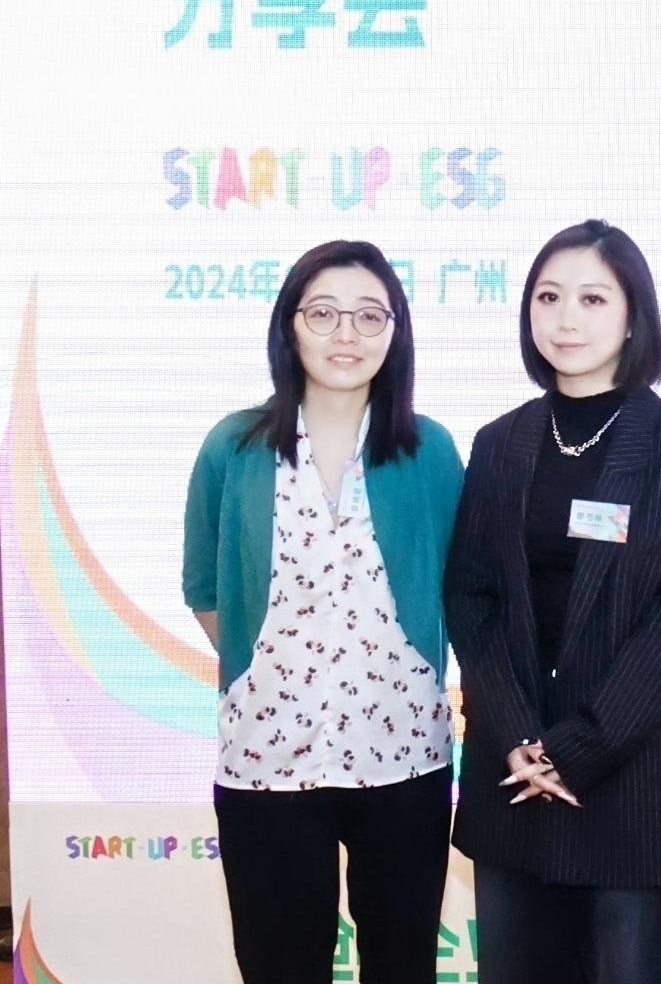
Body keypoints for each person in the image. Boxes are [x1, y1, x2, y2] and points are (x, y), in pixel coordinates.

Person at [446, 220, 661, 983]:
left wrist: (573, 749)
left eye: (591, 297)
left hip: (640, 779)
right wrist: (516, 736)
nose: (565, 318)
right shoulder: (499, 442)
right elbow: (471, 595)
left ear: (633, 315)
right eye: (548, 296)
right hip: (516, 780)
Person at [184, 240, 464, 984]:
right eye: (324, 313)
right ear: (290, 325)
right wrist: (262, 666)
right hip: (267, 760)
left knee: (403, 965)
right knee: (280, 967)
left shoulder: (430, 448)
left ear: (396, 331)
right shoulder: (233, 446)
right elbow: (204, 589)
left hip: (404, 754)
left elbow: (465, 585)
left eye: (369, 315)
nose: (347, 334)